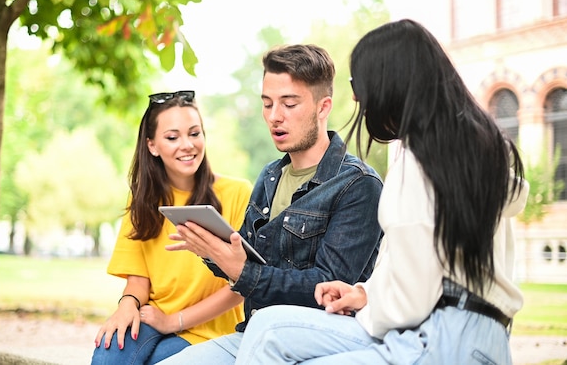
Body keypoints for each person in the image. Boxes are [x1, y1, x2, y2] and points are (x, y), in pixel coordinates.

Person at [230, 19, 530, 365]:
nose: (357, 96)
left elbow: (410, 300)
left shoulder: (419, 161)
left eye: (359, 82)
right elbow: (425, 267)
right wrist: (362, 293)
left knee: (270, 333)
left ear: (391, 83)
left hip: (439, 337)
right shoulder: (476, 149)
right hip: (485, 339)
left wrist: (362, 312)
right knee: (269, 328)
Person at [157, 44, 384, 365]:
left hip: (318, 336)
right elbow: (247, 257)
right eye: (267, 104)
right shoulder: (270, 175)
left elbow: (326, 288)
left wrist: (243, 271)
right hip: (252, 330)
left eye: (289, 103)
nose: (274, 116)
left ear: (323, 107)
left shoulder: (358, 184)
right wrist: (211, 250)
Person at [91, 90, 252, 365]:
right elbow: (139, 279)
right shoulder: (142, 199)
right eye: (172, 137)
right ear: (152, 145)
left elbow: (242, 286)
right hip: (152, 317)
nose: (187, 145)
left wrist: (173, 321)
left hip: (210, 329)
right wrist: (127, 304)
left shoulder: (238, 193)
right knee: (108, 355)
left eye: (195, 133)